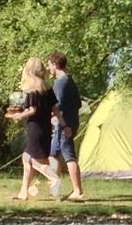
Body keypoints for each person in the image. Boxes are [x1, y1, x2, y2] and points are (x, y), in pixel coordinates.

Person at [5, 57, 62, 200]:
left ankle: (53, 178)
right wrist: (63, 123)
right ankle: (23, 193)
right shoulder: (47, 88)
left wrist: (18, 116)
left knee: (33, 160)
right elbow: (55, 109)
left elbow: (32, 110)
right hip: (45, 127)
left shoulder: (32, 89)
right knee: (27, 157)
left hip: (35, 127)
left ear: (29, 70)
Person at [46, 51, 84, 201]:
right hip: (67, 122)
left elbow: (57, 104)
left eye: (49, 65)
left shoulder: (61, 82)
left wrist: (61, 120)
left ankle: (78, 191)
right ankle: (55, 189)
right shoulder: (69, 81)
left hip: (65, 125)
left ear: (55, 64)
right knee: (53, 153)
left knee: (68, 155)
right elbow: (78, 103)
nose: (48, 69)